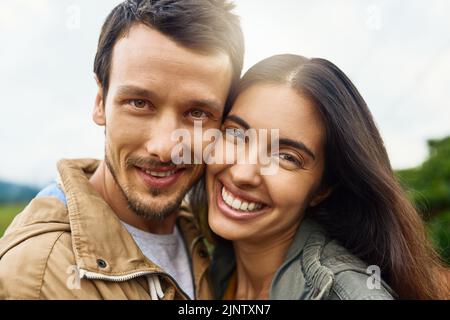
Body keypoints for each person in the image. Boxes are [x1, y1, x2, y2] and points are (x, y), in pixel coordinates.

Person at [0, 0, 244, 300]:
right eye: (139, 104)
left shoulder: (207, 233)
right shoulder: (38, 278)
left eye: (197, 113)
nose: (165, 148)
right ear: (100, 101)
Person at [191, 54, 449, 300]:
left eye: (287, 157)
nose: (242, 173)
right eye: (236, 135)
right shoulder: (211, 264)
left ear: (323, 188)